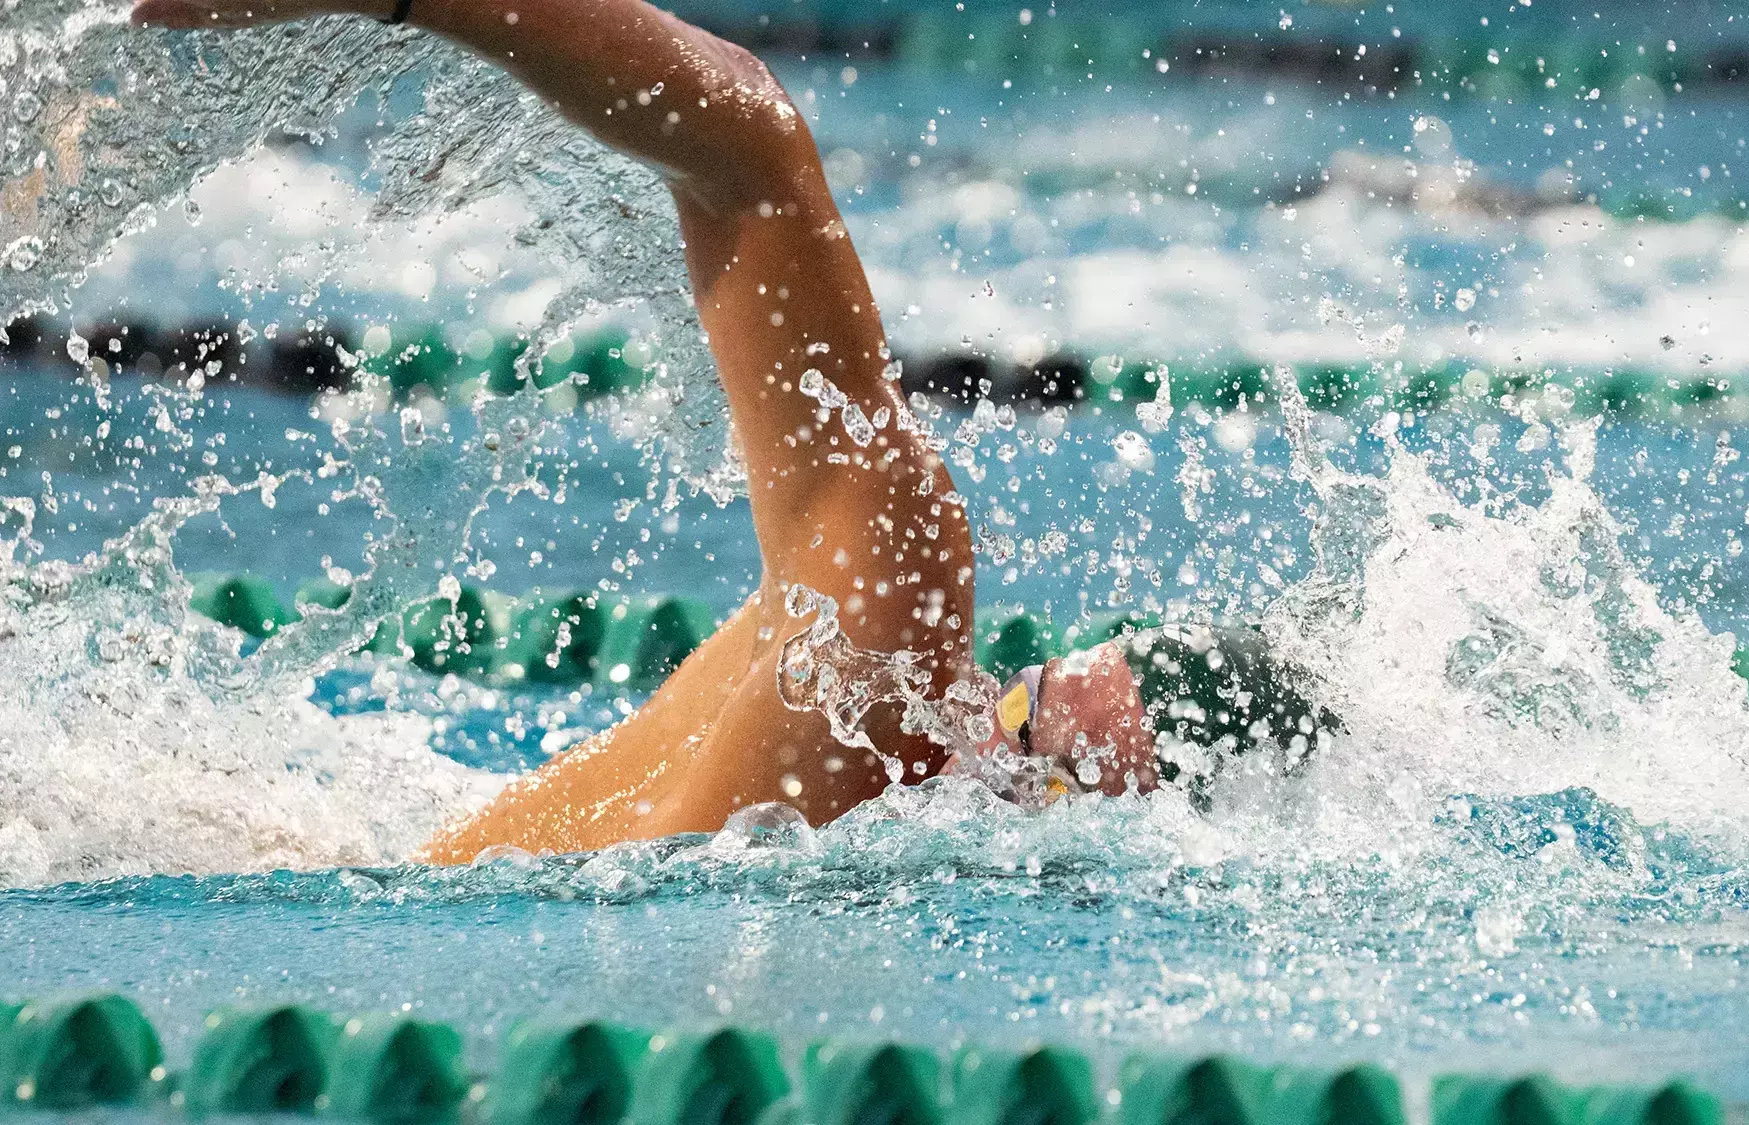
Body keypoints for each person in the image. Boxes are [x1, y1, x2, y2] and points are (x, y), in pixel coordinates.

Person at [131, 0, 1329, 858]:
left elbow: (751, 147)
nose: (984, 716)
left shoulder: (866, 708)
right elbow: (746, 148)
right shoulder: (881, 665)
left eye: (1024, 737)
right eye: (1013, 721)